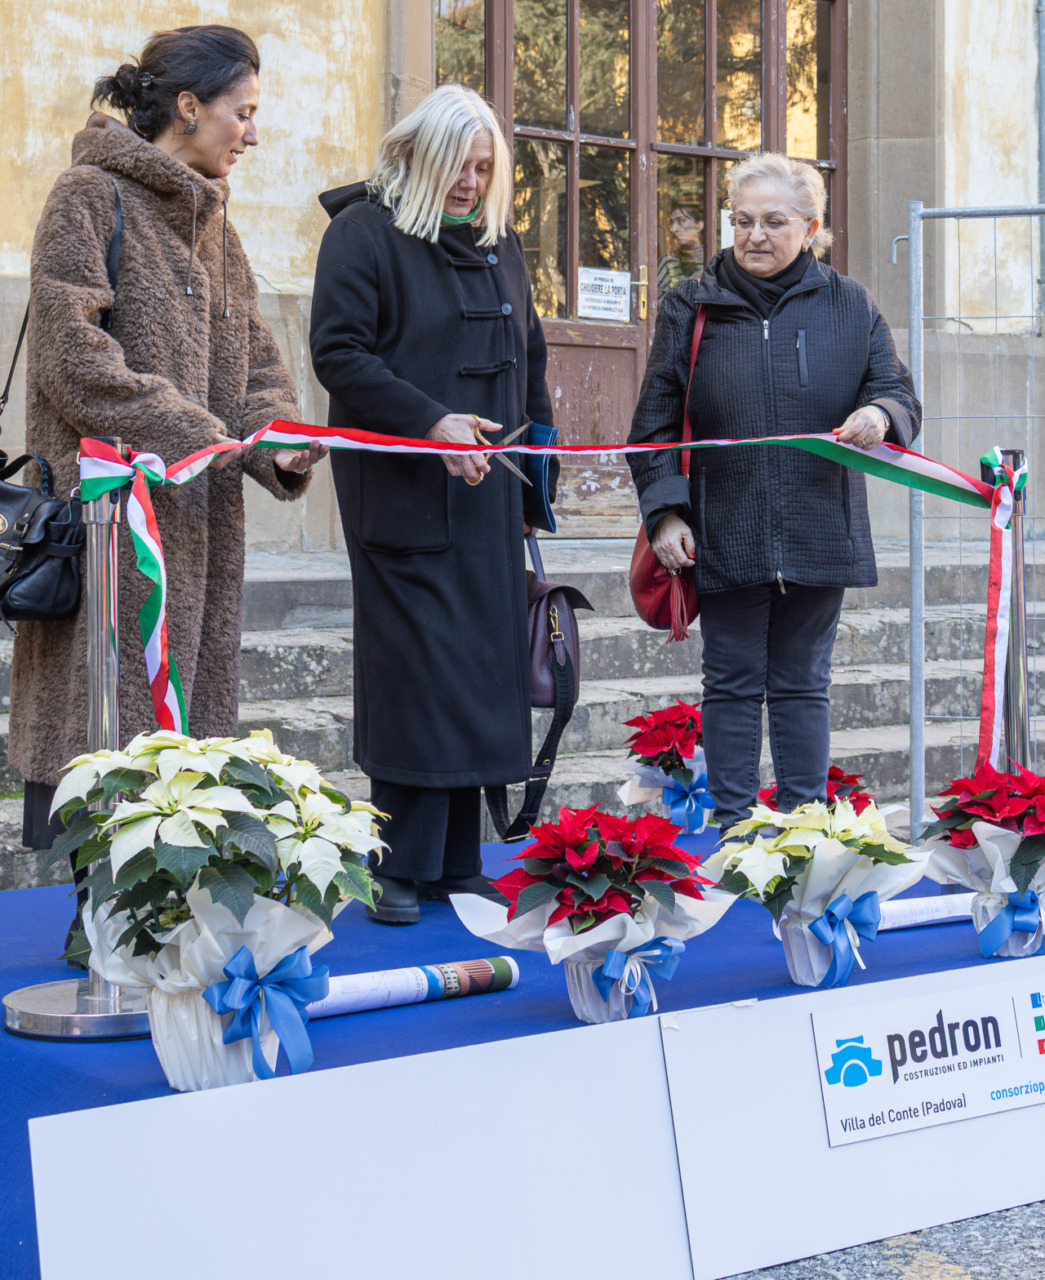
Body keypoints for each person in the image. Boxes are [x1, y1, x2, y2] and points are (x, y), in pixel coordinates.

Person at [10, 25, 326, 849]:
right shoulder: (88, 196)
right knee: (102, 748)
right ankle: (100, 919)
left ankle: (162, 907)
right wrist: (195, 432)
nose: (252, 134)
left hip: (201, 527)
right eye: (242, 113)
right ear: (188, 106)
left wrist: (277, 439)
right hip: (110, 527)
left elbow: (260, 369)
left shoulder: (219, 231)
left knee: (183, 770)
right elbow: (72, 357)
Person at [310, 84, 558, 925]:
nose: (471, 183)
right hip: (401, 496)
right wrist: (430, 422)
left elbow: (530, 363)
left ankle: (457, 863)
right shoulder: (362, 233)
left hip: (489, 499)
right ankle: (395, 866)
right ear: (416, 155)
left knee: (479, 673)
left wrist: (534, 491)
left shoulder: (499, 241)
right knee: (414, 673)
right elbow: (339, 355)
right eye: (458, 166)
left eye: (484, 168)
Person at [628, 152, 920, 836]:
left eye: (773, 222)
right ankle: (734, 832)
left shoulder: (850, 304)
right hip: (723, 524)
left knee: (802, 684)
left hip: (819, 522)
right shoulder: (690, 304)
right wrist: (665, 512)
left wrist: (879, 415)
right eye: (742, 220)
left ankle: (803, 829)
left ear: (811, 228)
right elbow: (653, 424)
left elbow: (897, 390)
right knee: (730, 683)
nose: (754, 235)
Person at [657, 204, 705, 295]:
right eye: (672, 223)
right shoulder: (668, 261)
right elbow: (657, 297)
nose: (674, 229)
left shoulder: (713, 259)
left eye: (682, 221)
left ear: (699, 225)